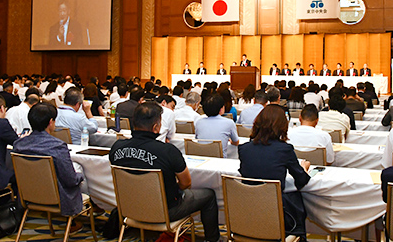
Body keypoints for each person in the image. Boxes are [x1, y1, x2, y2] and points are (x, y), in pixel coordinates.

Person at [110, 102, 221, 242]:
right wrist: (174, 189)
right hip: (165, 211)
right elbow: (186, 183)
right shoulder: (168, 151)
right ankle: (213, 239)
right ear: (156, 127)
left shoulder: (116, 147)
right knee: (209, 195)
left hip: (130, 208)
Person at [238, 104, 311, 238]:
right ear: (283, 126)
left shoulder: (244, 149)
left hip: (248, 213)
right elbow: (301, 181)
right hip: (276, 214)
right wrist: (304, 169)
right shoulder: (285, 149)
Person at [13, 102, 85, 216]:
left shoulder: (19, 144)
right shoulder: (57, 146)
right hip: (59, 197)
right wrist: (81, 176)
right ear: (51, 122)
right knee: (80, 170)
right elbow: (70, 180)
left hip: (28, 194)